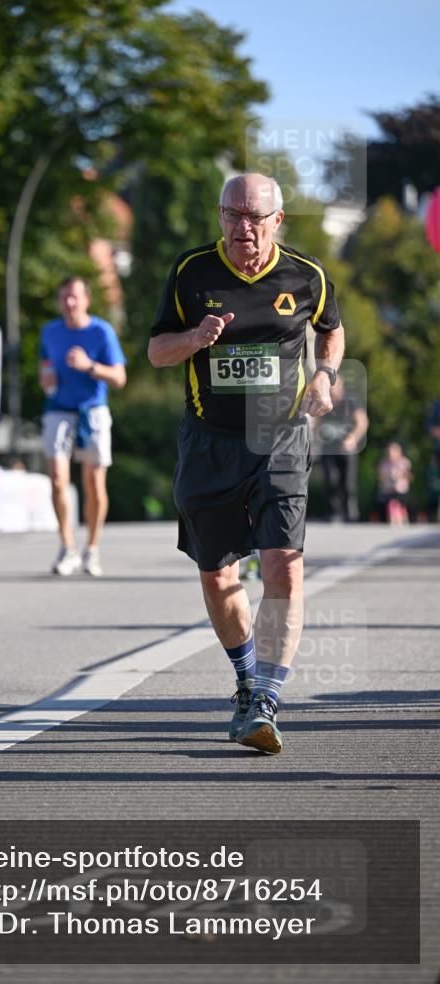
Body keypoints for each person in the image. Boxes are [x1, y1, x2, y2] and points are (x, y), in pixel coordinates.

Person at [149, 172, 345, 755]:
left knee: (284, 565)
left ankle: (265, 698)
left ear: (276, 221)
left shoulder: (306, 276)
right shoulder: (192, 272)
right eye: (232, 215)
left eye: (255, 217)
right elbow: (158, 352)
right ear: (219, 217)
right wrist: (195, 338)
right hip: (209, 441)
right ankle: (243, 676)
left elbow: (331, 333)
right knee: (218, 573)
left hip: (279, 439)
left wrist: (326, 377)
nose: (243, 228)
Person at [39, 276, 126, 576]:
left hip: (93, 411)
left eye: (75, 297)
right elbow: (45, 369)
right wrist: (46, 380)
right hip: (58, 410)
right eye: (64, 297)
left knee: (93, 483)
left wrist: (90, 366)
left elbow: (119, 378)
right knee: (57, 479)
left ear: (86, 299)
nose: (70, 303)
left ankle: (92, 549)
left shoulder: (102, 331)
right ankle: (67, 547)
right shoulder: (50, 332)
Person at [316, 374, 369, 522]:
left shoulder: (351, 400)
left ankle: (350, 512)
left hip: (347, 447)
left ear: (341, 385)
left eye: (335, 385)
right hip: (327, 447)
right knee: (330, 480)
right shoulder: (324, 400)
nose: (332, 389)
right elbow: (317, 422)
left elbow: (362, 422)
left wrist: (352, 438)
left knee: (348, 483)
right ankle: (333, 512)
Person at [377, 442, 413, 523]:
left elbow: (409, 476)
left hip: (401, 490)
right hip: (388, 490)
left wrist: (400, 475)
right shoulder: (384, 463)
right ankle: (393, 521)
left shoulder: (404, 462)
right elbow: (381, 478)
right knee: (391, 505)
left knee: (401, 507)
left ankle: (403, 520)